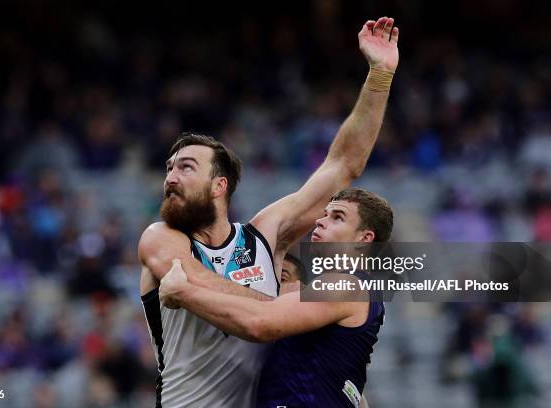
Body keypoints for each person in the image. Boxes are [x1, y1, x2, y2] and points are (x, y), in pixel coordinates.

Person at [138, 17, 399, 407]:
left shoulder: (264, 235)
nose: (171, 177)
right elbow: (199, 285)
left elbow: (342, 163)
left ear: (219, 185)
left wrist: (380, 75)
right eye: (169, 168)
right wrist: (285, 300)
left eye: (186, 167)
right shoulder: (161, 237)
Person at [160, 188, 393, 408]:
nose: (320, 221)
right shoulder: (357, 294)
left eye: (337, 217)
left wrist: (184, 292)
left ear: (365, 238)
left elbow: (259, 323)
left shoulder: (346, 285)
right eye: (324, 214)